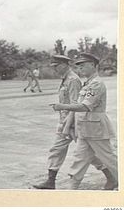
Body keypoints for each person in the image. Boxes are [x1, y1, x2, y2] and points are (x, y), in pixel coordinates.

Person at [33, 54, 114, 190]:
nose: (55, 69)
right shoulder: (66, 79)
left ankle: (112, 177)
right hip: (67, 121)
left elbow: (76, 105)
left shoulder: (73, 80)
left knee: (82, 152)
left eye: (57, 66)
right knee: (85, 153)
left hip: (73, 122)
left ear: (65, 65)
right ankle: (111, 177)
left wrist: (67, 126)